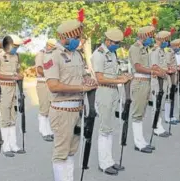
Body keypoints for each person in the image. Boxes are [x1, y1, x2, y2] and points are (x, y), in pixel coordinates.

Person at [43, 19, 97, 181]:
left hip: (77, 110)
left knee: (72, 151)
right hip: (62, 111)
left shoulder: (77, 55)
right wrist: (81, 88)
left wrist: (87, 80)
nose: (79, 40)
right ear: (65, 37)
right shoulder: (53, 55)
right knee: (61, 153)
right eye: (76, 37)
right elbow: (53, 85)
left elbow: (81, 75)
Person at [91, 28, 132, 175]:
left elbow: (115, 72)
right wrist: (119, 80)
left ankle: (110, 160)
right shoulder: (99, 54)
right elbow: (100, 78)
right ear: (107, 41)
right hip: (104, 92)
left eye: (118, 43)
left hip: (113, 91)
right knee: (104, 129)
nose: (117, 45)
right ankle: (104, 163)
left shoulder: (112, 53)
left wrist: (123, 75)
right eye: (115, 43)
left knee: (110, 128)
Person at [128, 26, 165, 153]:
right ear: (143, 36)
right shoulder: (135, 48)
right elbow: (138, 67)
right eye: (149, 36)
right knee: (137, 113)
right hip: (139, 82)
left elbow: (147, 66)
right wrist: (152, 71)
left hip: (146, 81)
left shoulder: (145, 49)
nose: (151, 39)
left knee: (142, 113)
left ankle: (142, 141)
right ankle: (138, 143)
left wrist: (154, 69)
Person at [0, 34, 24, 157]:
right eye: (15, 46)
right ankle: (6, 147)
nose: (16, 48)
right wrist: (12, 77)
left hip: (14, 87)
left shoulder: (16, 56)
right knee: (5, 119)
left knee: (13, 117)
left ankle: (14, 145)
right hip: (3, 87)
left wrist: (20, 75)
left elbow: (19, 71)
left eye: (18, 46)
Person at [149, 31, 173, 138]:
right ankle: (156, 127)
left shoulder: (162, 51)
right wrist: (166, 70)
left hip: (163, 80)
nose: (167, 42)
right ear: (161, 39)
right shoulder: (155, 51)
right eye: (166, 40)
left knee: (161, 104)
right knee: (156, 104)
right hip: (157, 81)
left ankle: (159, 125)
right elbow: (154, 67)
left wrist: (168, 69)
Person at [35, 39, 56, 142]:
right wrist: (51, 74)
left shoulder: (52, 54)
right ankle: (43, 131)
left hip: (50, 83)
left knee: (50, 108)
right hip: (43, 83)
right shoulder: (41, 54)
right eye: (52, 47)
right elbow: (39, 69)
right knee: (44, 108)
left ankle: (49, 130)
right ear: (48, 45)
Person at [165, 38, 180, 124]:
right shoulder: (169, 52)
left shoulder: (173, 53)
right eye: (179, 46)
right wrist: (176, 68)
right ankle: (168, 117)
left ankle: (171, 115)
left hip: (174, 77)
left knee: (172, 97)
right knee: (169, 97)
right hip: (170, 77)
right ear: (175, 46)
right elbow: (168, 65)